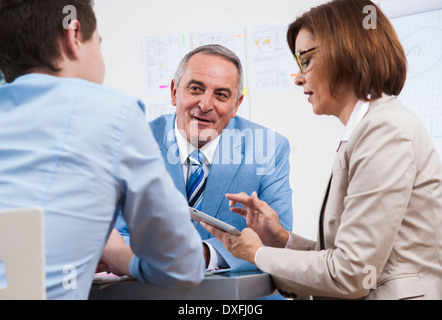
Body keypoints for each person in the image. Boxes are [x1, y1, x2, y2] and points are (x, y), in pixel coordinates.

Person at [203, 0, 442, 300]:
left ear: (346, 53)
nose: (298, 77)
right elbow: (344, 260)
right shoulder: (368, 130)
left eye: (306, 60)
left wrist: (258, 254)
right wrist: (281, 239)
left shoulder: (385, 132)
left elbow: (351, 275)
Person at [0, 0, 204, 299]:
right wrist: (119, 254)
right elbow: (182, 266)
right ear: (73, 36)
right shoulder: (112, 114)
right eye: (99, 43)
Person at [115, 44, 293, 272]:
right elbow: (114, 233)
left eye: (221, 95)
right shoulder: (132, 144)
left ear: (236, 104)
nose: (205, 105)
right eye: (196, 89)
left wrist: (206, 255)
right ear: (173, 92)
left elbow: (278, 242)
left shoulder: (269, 148)